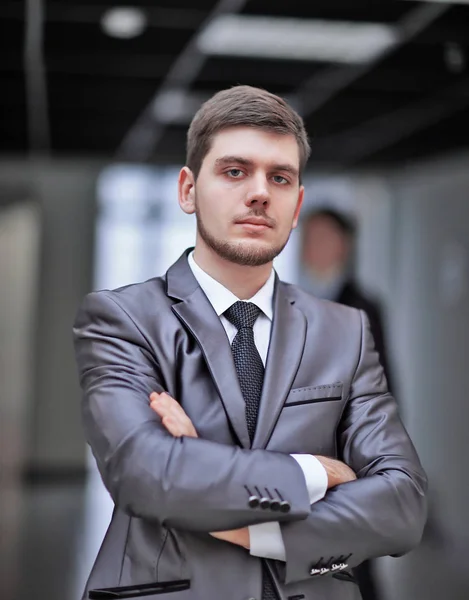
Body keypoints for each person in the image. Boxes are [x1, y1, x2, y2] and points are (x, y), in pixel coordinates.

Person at [73, 86, 427, 600]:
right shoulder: (124, 320)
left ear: (297, 203)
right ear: (188, 190)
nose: (260, 192)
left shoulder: (344, 330)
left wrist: (243, 525)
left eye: (279, 177)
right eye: (235, 171)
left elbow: (403, 505)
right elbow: (143, 472)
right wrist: (311, 471)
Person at [299, 208, 396, 600]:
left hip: (349, 456)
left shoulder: (361, 307)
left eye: (322, 238)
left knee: (355, 564)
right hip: (306, 453)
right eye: (307, 238)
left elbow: (380, 389)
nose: (312, 247)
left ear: (343, 246)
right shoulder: (296, 302)